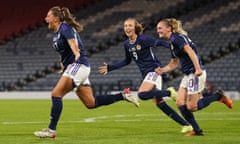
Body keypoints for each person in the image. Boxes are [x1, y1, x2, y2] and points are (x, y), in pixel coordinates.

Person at [34, 6, 139, 138]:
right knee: (91, 103)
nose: (45, 18)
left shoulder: (65, 28)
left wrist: (77, 53)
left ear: (56, 18)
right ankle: (123, 95)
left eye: (48, 16)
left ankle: (51, 130)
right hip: (75, 67)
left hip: (78, 65)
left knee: (56, 94)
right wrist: (63, 66)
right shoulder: (56, 34)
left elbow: (73, 44)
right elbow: (63, 52)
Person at [98, 18, 193, 133]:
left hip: (153, 70)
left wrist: (173, 45)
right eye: (125, 26)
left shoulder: (143, 39)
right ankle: (186, 125)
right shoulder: (127, 44)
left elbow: (158, 42)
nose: (127, 28)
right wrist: (110, 67)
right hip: (146, 74)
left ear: (135, 28)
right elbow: (127, 61)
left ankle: (170, 92)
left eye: (130, 26)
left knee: (142, 95)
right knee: (160, 103)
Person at [155, 18, 233, 136]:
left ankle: (218, 96)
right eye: (157, 29)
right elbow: (174, 63)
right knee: (180, 103)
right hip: (188, 74)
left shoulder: (178, 38)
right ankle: (197, 130)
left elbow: (190, 51)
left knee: (192, 107)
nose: (158, 31)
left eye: (160, 28)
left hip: (194, 73)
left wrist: (197, 68)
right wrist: (162, 70)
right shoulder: (172, 43)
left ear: (169, 28)